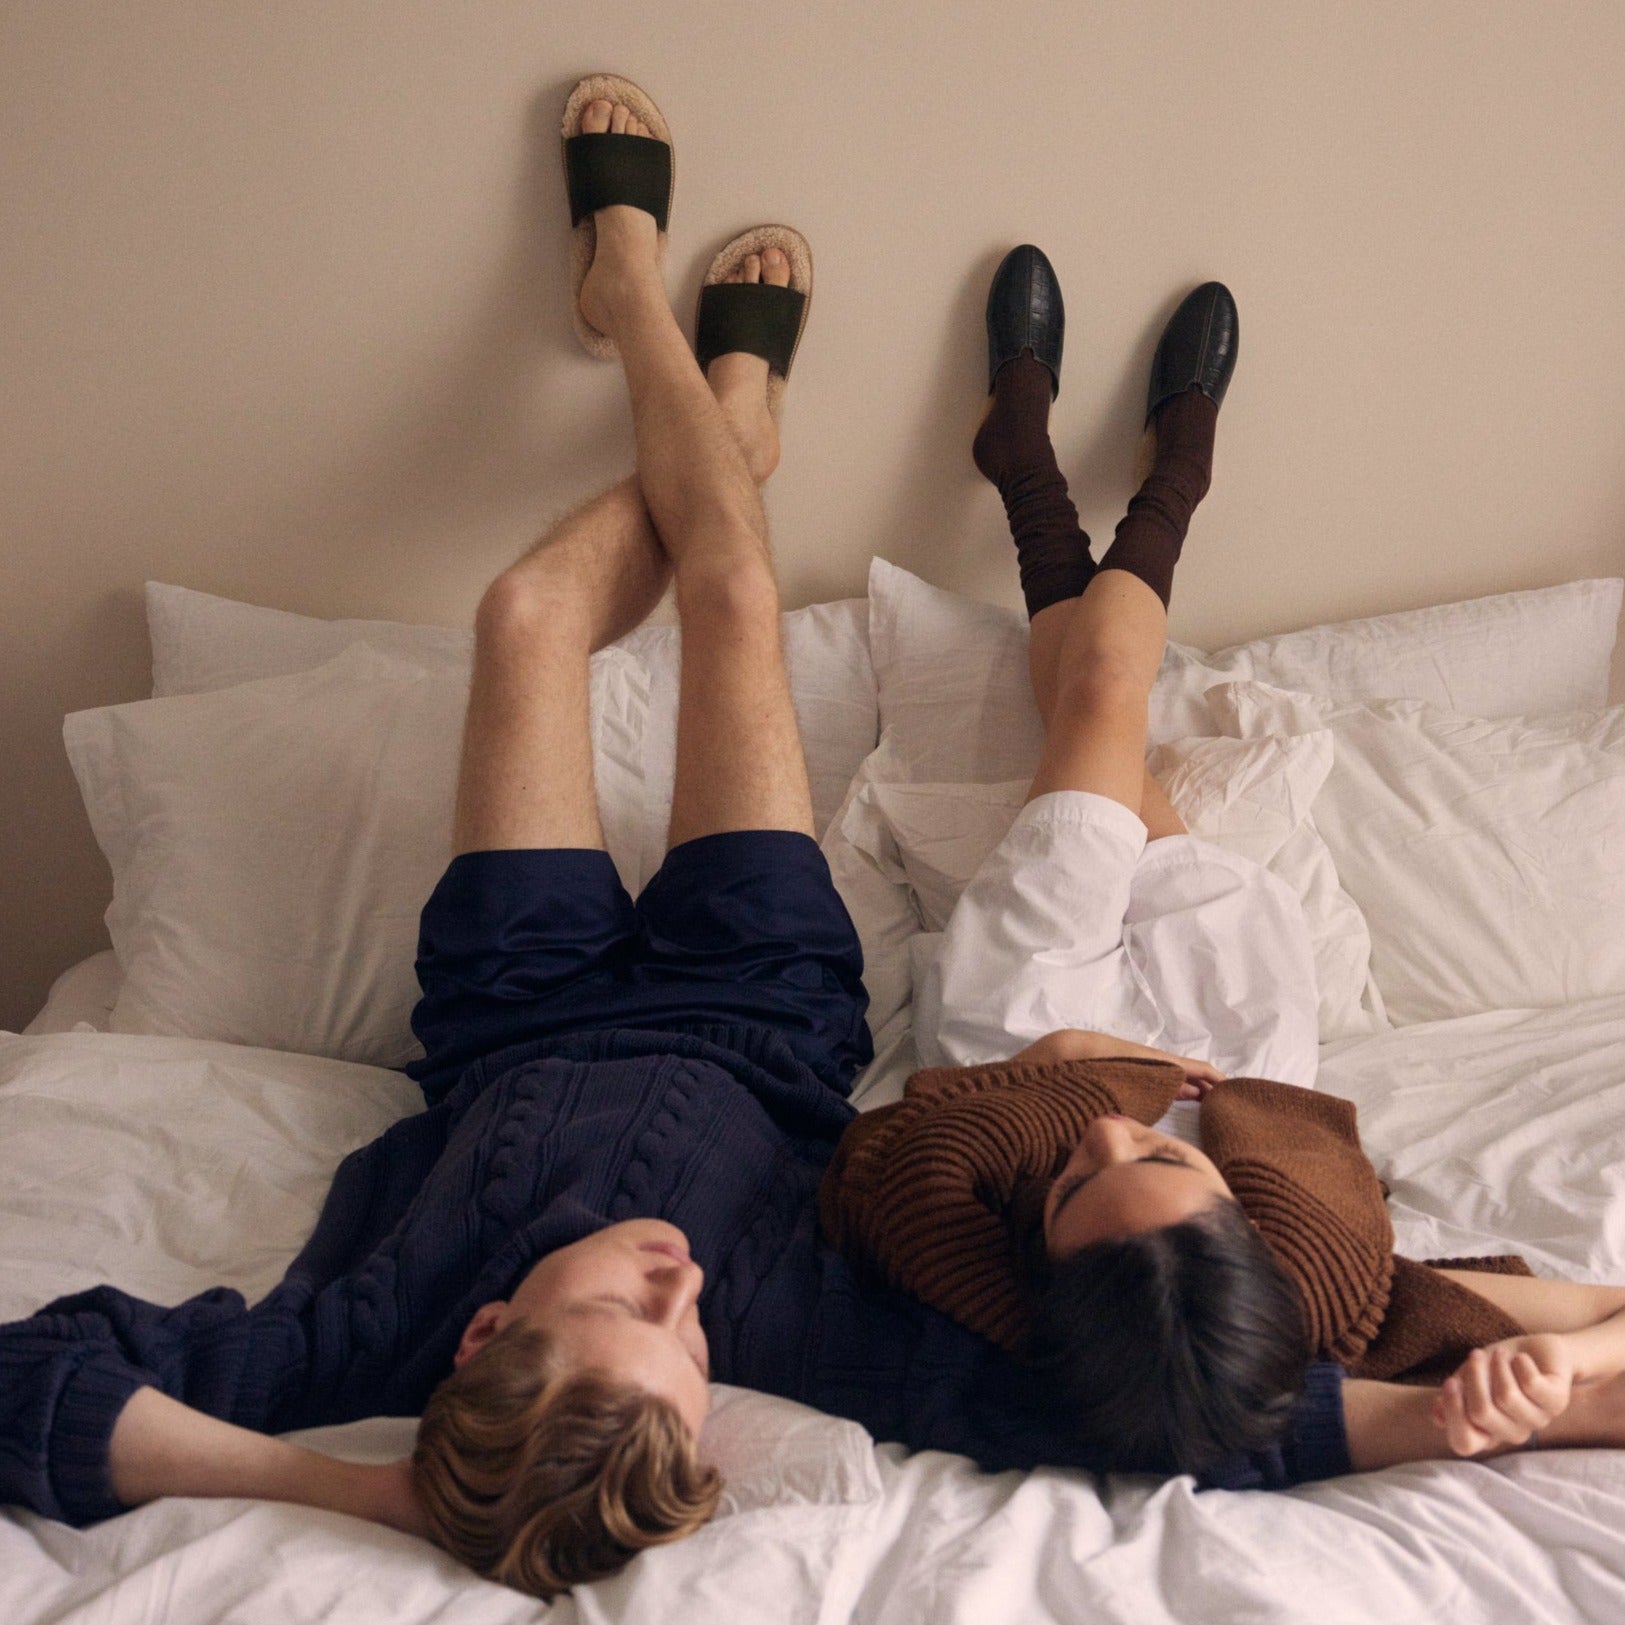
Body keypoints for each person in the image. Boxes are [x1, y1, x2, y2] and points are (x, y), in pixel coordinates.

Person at [0, 84, 1360, 1602]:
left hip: (508, 1004)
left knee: (524, 617)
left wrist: (365, 1487)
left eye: (635, 1307)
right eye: (696, 1339)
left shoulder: (358, 1338)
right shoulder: (803, 1336)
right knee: (730, 593)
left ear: (482, 1333)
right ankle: (681, 349)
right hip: (757, 993)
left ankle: (676, 363)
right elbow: (1182, 1401)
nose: (688, 1283)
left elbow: (27, 1382)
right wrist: (1512, 1395)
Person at [822, 245, 1625, 1479]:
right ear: (1240, 1226)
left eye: (1075, 1190)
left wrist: (1054, 1072)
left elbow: (877, 1166)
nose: (1104, 1141)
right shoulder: (1329, 1292)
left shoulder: (965, 1268)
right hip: (1236, 1043)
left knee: (1095, 691)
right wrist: (1560, 1373)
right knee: (1101, 716)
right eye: (1153, 1160)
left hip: (1023, 1034)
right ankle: (1096, 469)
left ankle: (1120, 477)